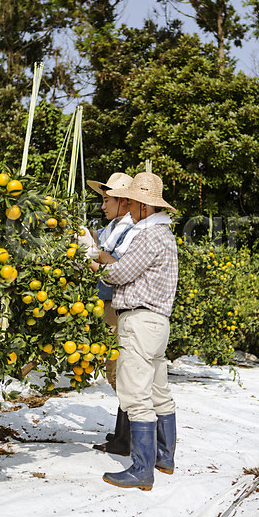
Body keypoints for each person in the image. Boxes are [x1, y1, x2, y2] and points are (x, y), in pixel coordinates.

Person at [89, 172, 178, 491]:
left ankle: (142, 469)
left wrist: (94, 262)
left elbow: (118, 274)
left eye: (131, 201)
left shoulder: (149, 235)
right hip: (157, 322)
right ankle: (164, 457)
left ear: (142, 205)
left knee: (135, 395)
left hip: (140, 321)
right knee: (158, 391)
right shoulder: (165, 234)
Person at [84, 172, 134, 456]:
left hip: (119, 304)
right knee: (117, 370)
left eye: (106, 200)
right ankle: (122, 435)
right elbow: (98, 239)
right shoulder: (115, 225)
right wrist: (79, 232)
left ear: (124, 202)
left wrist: (96, 257)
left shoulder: (130, 230)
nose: (102, 206)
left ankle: (128, 439)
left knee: (119, 373)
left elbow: (119, 264)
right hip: (109, 303)